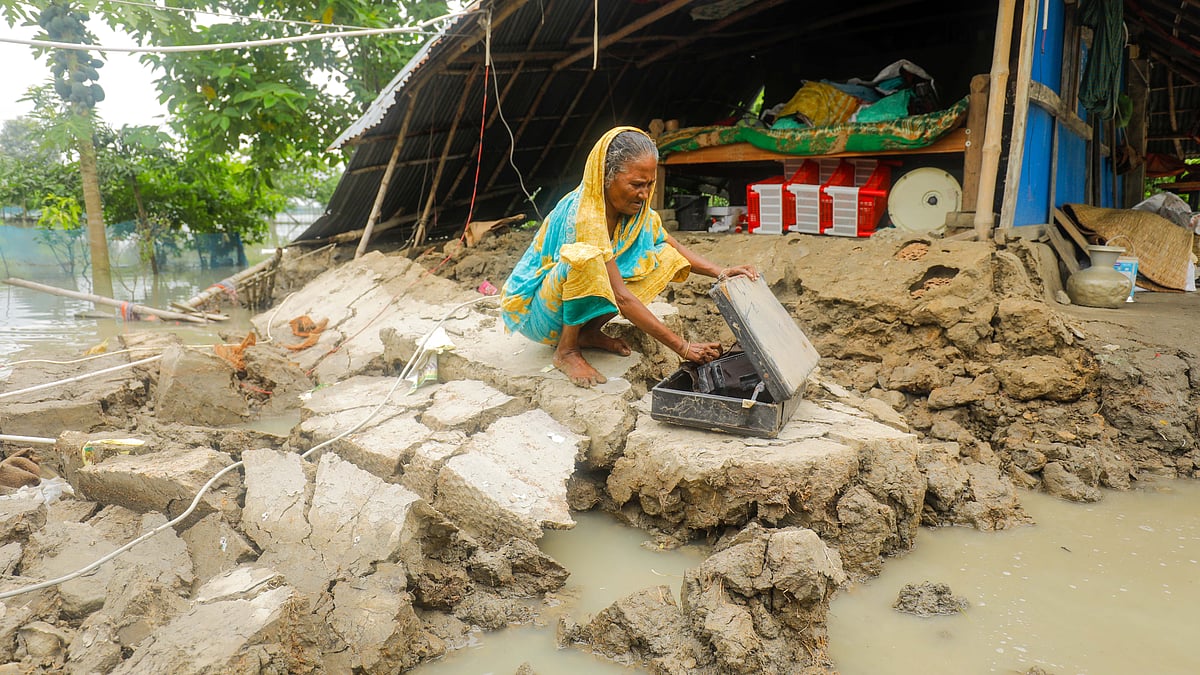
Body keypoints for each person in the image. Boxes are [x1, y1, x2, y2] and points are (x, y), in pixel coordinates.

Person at [500, 126, 757, 387]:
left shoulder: (637, 212)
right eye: (636, 185)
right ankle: (566, 350)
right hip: (538, 312)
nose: (645, 194)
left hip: (566, 304)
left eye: (649, 184)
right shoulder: (585, 215)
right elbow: (620, 296)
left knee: (666, 258)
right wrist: (683, 347)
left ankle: (586, 333)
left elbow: (672, 245)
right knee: (586, 261)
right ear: (605, 177)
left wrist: (721, 272)